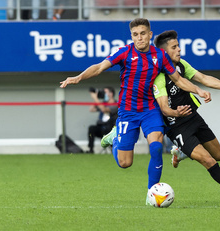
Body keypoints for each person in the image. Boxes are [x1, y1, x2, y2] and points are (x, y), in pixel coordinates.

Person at [60, 18, 211, 202]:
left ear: (149, 34)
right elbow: (100, 67)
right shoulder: (124, 52)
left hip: (150, 110)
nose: (139, 38)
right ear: (131, 36)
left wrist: (199, 90)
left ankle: (151, 195)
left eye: (142, 34)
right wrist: (78, 77)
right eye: (135, 34)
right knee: (125, 163)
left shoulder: (160, 56)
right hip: (128, 112)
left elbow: (178, 79)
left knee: (156, 147)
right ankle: (115, 137)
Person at [152, 30, 220, 205]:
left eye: (178, 45)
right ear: (164, 52)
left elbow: (204, 78)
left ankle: (181, 153)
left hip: (193, 118)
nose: (179, 49)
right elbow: (163, 108)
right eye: (174, 47)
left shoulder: (182, 65)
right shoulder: (159, 77)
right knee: (209, 160)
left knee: (218, 154)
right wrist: (176, 113)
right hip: (177, 127)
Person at [87, 87, 118, 153]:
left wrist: (95, 98)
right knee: (91, 128)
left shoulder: (116, 104)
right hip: (101, 126)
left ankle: (114, 150)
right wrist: (96, 98)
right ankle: (91, 149)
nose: (104, 94)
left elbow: (104, 109)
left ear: (111, 93)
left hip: (110, 127)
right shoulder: (103, 103)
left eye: (105, 92)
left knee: (110, 130)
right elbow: (91, 109)